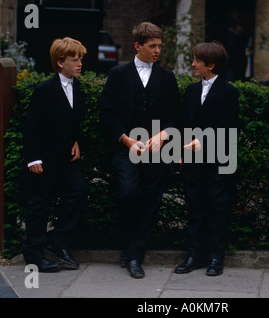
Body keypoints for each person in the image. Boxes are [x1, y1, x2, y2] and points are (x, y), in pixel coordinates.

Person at [99, 22, 179, 279]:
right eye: (152, 46)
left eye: (159, 46)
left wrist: (163, 136)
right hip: (127, 148)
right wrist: (126, 140)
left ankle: (135, 255)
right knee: (128, 193)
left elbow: (175, 117)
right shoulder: (118, 75)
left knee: (151, 201)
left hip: (158, 151)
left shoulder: (167, 78)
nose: (157, 50)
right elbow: (107, 113)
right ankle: (129, 246)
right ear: (138, 46)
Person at [22, 37, 89, 272]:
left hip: (66, 157)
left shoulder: (77, 87)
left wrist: (75, 141)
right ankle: (33, 254)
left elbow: (71, 121)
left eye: (80, 58)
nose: (80, 63)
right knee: (39, 203)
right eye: (74, 59)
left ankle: (58, 243)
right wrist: (33, 158)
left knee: (79, 190)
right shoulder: (44, 90)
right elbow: (31, 127)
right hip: (44, 158)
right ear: (60, 62)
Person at [174, 41, 239, 276]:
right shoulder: (191, 91)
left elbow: (230, 126)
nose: (193, 64)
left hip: (218, 160)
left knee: (217, 208)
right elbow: (183, 124)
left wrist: (204, 141)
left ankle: (215, 258)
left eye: (196, 61)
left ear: (211, 65)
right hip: (192, 160)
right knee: (194, 207)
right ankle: (193, 256)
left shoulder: (229, 91)